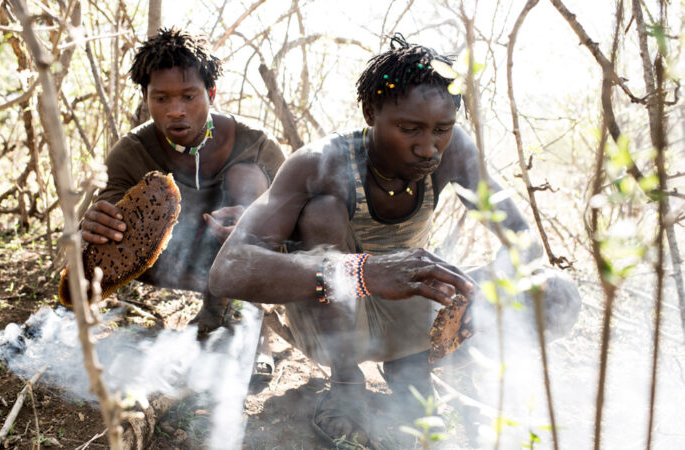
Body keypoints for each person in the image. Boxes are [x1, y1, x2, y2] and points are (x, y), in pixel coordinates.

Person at [209, 35, 580, 446]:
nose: (428, 148)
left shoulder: (453, 151)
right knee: (323, 213)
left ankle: (413, 374)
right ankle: (347, 387)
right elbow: (228, 271)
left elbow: (523, 245)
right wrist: (361, 271)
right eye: (409, 129)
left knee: (557, 292)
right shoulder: (319, 164)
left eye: (442, 129)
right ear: (371, 113)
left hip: (408, 311)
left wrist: (480, 297)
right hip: (330, 321)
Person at [79, 28, 285, 347]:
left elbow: (298, 220)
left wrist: (259, 227)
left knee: (250, 179)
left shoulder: (255, 144)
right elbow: (103, 222)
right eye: (161, 98)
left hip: (243, 262)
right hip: (168, 263)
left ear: (211, 92)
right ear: (146, 98)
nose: (175, 110)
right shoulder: (132, 150)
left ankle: (242, 318)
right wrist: (92, 228)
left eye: (188, 96)